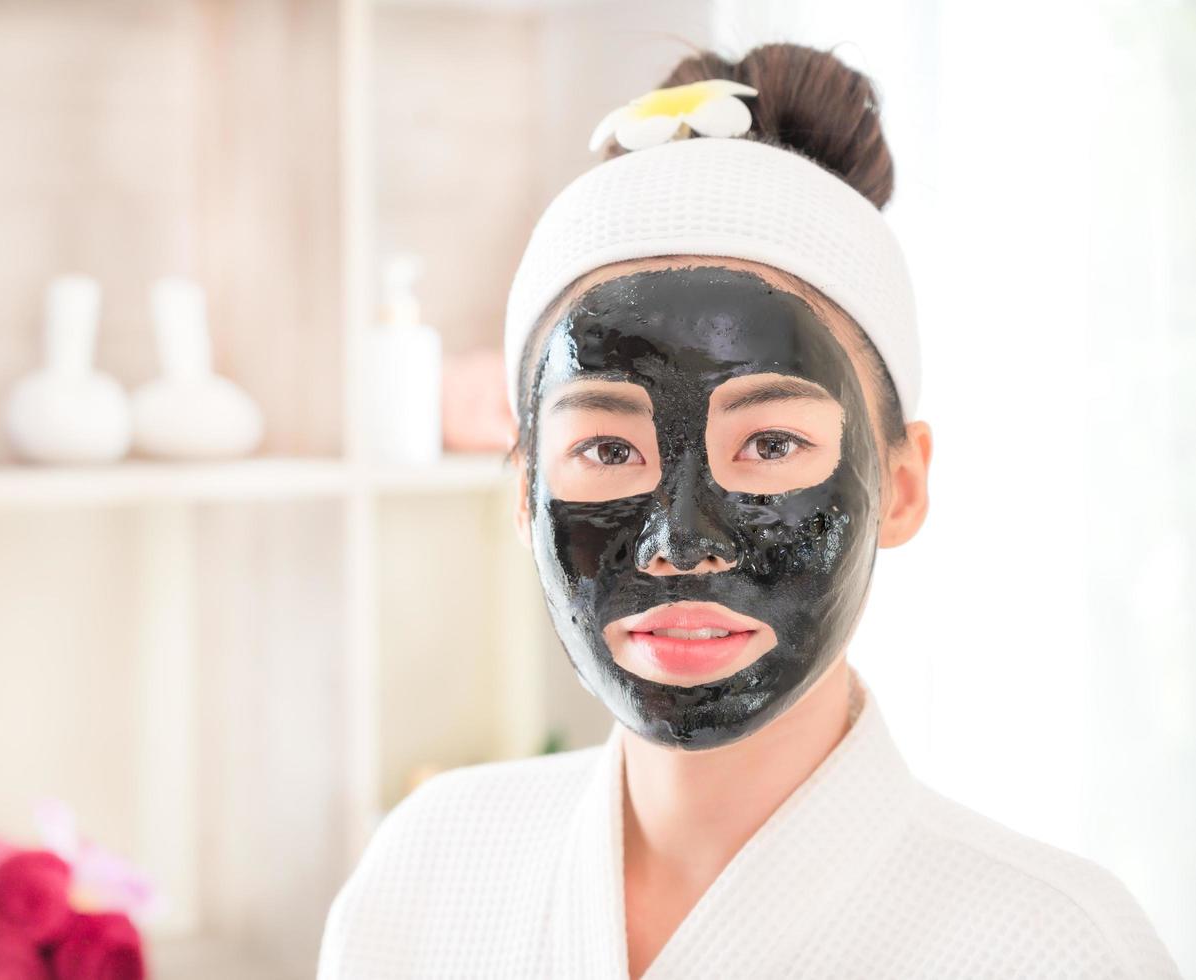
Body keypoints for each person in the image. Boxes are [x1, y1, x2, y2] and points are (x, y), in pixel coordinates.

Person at [317, 42, 1179, 979]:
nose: (679, 541)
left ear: (899, 485)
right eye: (606, 451)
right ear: (524, 489)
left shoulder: (1054, 948)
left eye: (770, 446)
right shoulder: (428, 875)